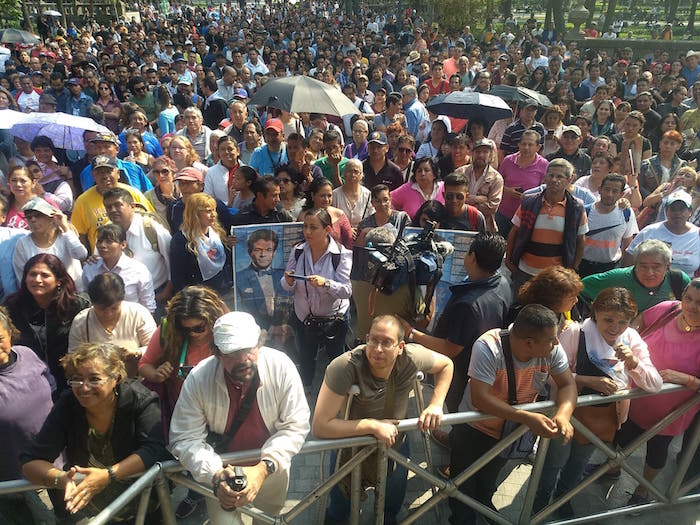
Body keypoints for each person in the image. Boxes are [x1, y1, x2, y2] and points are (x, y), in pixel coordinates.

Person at [168, 311, 310, 525]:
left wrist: (263, 469)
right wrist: (215, 474)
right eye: (232, 353)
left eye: (248, 349)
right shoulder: (199, 378)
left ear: (260, 343)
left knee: (269, 520)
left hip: (272, 469)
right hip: (221, 471)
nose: (243, 359)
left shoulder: (281, 366)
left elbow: (296, 425)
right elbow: (184, 437)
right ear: (216, 353)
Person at [312, 314, 453, 524]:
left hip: (395, 443)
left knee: (392, 501)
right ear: (366, 338)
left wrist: (436, 404)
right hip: (350, 445)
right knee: (341, 505)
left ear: (400, 347)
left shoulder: (412, 357)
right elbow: (320, 426)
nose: (378, 349)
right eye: (373, 340)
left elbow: (446, 365)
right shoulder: (344, 366)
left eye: (386, 342)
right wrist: (372, 426)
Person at [534, 287, 662, 515]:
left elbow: (655, 384)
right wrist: (588, 381)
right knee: (554, 461)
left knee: (578, 463)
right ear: (595, 314)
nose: (615, 328)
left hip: (603, 419)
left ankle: (563, 499)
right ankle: (540, 503)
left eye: (623, 322)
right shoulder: (576, 333)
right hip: (566, 413)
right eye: (608, 320)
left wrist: (634, 363)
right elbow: (548, 374)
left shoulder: (631, 338)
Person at [448, 304, 577, 524]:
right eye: (551, 339)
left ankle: (484, 507)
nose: (557, 343)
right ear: (529, 343)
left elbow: (567, 385)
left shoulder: (550, 349)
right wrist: (526, 417)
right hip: (474, 429)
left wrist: (563, 415)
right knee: (461, 484)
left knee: (488, 479)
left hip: (510, 432)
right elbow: (480, 398)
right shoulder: (488, 347)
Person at [21, 342, 169, 522]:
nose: (84, 387)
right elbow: (31, 461)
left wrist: (108, 475)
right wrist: (62, 479)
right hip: (87, 507)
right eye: (76, 379)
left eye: (94, 379)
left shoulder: (140, 399)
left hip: (143, 504)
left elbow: (154, 449)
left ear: (116, 378)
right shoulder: (68, 404)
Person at [138, 286, 228, 518]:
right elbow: (144, 365)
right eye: (185, 329)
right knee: (191, 454)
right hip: (184, 409)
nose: (193, 334)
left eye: (199, 328)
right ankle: (196, 493)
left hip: (221, 408)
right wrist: (157, 373)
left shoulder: (226, 329)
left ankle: (220, 490)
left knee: (221, 453)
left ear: (212, 319)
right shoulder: (168, 330)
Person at [613, 278, 700, 506]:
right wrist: (627, 346)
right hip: (636, 399)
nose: (692, 306)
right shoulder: (668, 310)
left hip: (671, 413)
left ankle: (643, 491)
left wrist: (684, 379)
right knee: (621, 438)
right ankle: (611, 469)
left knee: (657, 452)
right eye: (688, 298)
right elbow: (638, 324)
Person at [404, 233, 511, 417]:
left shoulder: (468, 305)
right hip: (487, 368)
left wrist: (411, 333)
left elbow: (450, 348)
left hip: (461, 373)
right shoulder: (502, 283)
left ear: (472, 257)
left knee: (454, 411)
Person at [282, 208, 352, 389]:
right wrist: (288, 281)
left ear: (327, 229)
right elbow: (286, 286)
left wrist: (326, 284)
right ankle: (305, 390)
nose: (307, 232)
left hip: (334, 319)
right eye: (305, 226)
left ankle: (338, 392)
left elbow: (346, 291)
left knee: (336, 359)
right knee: (306, 357)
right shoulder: (298, 251)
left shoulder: (341, 255)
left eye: (313, 227)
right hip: (305, 318)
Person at [3, 253, 90, 395]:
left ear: (58, 281)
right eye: (32, 274)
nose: (37, 280)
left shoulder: (78, 305)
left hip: (69, 382)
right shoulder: (12, 306)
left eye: (44, 275)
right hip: (27, 383)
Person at [0, 307, 55, 523]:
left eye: (0, 338)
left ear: (9, 334)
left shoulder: (27, 354)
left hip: (58, 464)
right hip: (17, 481)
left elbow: (51, 386)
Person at [506, 159, 587, 295]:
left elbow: (580, 241)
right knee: (520, 305)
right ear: (545, 177)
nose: (554, 180)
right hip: (525, 271)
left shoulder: (576, 208)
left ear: (569, 179)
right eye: (551, 175)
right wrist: (509, 261)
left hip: (556, 276)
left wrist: (572, 268)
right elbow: (514, 232)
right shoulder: (529, 202)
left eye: (559, 176)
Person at [68, 273, 156, 378]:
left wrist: (136, 353)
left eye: (114, 308)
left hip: (137, 380)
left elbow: (155, 349)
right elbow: (73, 359)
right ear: (92, 303)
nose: (109, 314)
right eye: (102, 309)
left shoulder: (138, 314)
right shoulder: (81, 322)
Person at [103, 187, 173, 310]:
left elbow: (172, 261)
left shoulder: (150, 228)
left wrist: (166, 293)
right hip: (120, 302)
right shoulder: (105, 233)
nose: (113, 210)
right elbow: (100, 261)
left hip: (157, 296)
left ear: (132, 206)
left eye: (118, 205)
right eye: (109, 207)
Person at [72, 155, 154, 252]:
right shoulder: (83, 201)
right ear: (93, 176)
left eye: (108, 171)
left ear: (118, 173)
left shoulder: (133, 194)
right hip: (104, 255)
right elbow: (80, 234)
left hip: (140, 251)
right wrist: (87, 257)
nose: (105, 176)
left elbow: (152, 220)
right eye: (100, 172)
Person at [12, 197, 87, 290]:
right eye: (29, 217)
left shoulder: (65, 236)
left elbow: (81, 255)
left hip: (72, 292)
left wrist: (66, 228)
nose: (33, 220)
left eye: (38, 215)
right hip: (40, 295)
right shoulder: (22, 243)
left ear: (51, 217)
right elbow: (22, 276)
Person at [82, 224, 156, 313]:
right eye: (99, 241)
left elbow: (148, 307)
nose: (102, 245)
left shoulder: (139, 270)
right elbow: (87, 300)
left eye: (109, 241)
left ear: (123, 244)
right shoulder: (90, 268)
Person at [624, 190, 700, 277]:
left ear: (690, 211)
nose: (677, 213)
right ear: (666, 211)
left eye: (682, 209)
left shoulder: (697, 234)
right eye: (673, 209)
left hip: (688, 284)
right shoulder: (649, 232)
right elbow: (627, 263)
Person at [579, 173, 639, 277]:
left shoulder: (626, 213)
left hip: (611, 268)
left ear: (621, 194)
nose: (609, 194)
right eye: (607, 189)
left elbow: (627, 244)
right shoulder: (585, 212)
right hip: (584, 266)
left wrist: (624, 271)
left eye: (615, 191)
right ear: (600, 189)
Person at [236, 228, 293, 333]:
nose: (263, 254)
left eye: (269, 250)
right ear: (250, 252)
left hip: (285, 332)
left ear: (274, 253)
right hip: (253, 332)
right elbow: (239, 312)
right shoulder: (239, 278)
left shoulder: (285, 276)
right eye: (258, 250)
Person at [170, 192, 229, 293]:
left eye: (214, 210)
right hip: (198, 294)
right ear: (195, 214)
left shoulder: (217, 232)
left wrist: (230, 245)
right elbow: (178, 278)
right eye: (208, 211)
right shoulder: (180, 240)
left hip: (222, 290)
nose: (213, 215)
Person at [495, 130, 549, 237]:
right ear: (518, 145)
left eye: (530, 145)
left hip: (527, 216)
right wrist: (507, 190)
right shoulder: (508, 161)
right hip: (504, 213)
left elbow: (545, 191)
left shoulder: (544, 165)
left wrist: (529, 196)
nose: (526, 147)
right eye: (524, 144)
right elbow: (497, 183)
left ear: (538, 147)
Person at [454, 138, 503, 232]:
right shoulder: (460, 172)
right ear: (472, 154)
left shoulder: (496, 178)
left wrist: (465, 202)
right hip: (459, 223)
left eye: (485, 152)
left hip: (484, 226)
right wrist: (477, 199)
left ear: (491, 155)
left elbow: (492, 207)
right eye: (477, 152)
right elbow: (452, 198)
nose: (480, 155)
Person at [299, 178, 354, 250]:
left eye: (329, 196)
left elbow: (349, 243)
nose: (326, 199)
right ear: (313, 196)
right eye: (322, 196)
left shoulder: (339, 214)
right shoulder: (304, 216)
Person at [332, 158, 374, 233]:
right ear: (344, 173)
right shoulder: (335, 195)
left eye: (356, 171)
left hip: (361, 236)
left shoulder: (368, 195)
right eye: (349, 171)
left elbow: (372, 219)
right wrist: (347, 230)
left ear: (361, 175)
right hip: (340, 234)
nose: (352, 175)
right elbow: (331, 219)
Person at [145, 156, 180, 221]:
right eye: (157, 172)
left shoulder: (182, 192)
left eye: (165, 171)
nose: (161, 175)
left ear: (173, 173)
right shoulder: (148, 197)